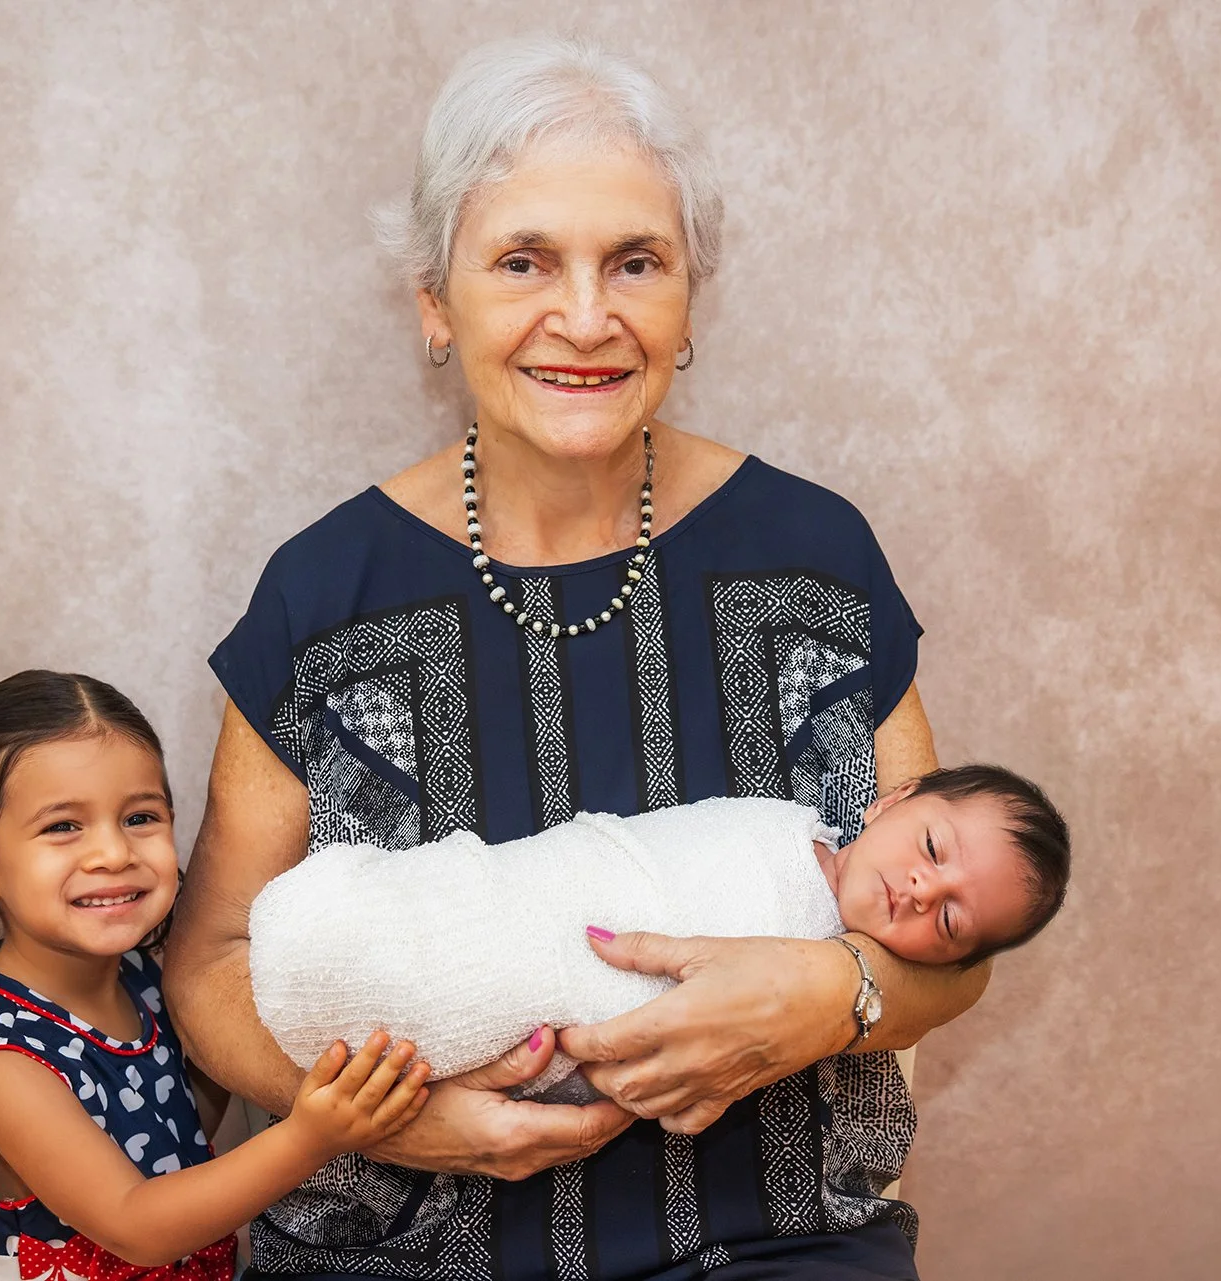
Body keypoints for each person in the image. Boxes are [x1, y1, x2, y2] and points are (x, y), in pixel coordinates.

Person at [166, 36, 991, 1281]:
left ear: (690, 304)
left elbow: (955, 934)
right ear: (434, 302)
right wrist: (389, 1121)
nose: (589, 318)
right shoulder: (325, 594)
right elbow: (210, 969)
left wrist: (830, 999)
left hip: (776, 1250)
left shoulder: (817, 558)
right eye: (524, 261)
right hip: (398, 1261)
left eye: (636, 263)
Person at [0, 670, 430, 1281]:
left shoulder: (141, 980)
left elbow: (169, 1132)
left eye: (139, 818)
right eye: (62, 827)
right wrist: (311, 1138)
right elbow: (137, 1225)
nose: (114, 853)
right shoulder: (0, 1059)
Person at [248, 766, 1071, 1094]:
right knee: (484, 901)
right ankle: (355, 936)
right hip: (544, 893)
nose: (923, 890)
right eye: (932, 849)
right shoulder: (776, 824)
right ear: (895, 797)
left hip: (570, 1022)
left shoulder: (823, 975)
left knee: (492, 980)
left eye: (952, 918)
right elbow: (616, 855)